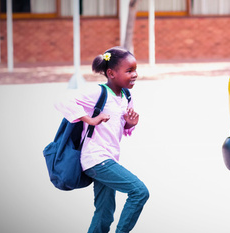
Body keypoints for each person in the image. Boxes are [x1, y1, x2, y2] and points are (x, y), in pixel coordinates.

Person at [55, 46, 149, 233]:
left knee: (104, 212)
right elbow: (62, 100)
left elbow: (118, 129)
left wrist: (129, 124)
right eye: (129, 70)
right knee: (139, 192)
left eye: (135, 70)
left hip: (109, 158)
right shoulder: (99, 93)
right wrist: (89, 119)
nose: (134, 74)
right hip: (96, 159)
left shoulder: (126, 96)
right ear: (111, 73)